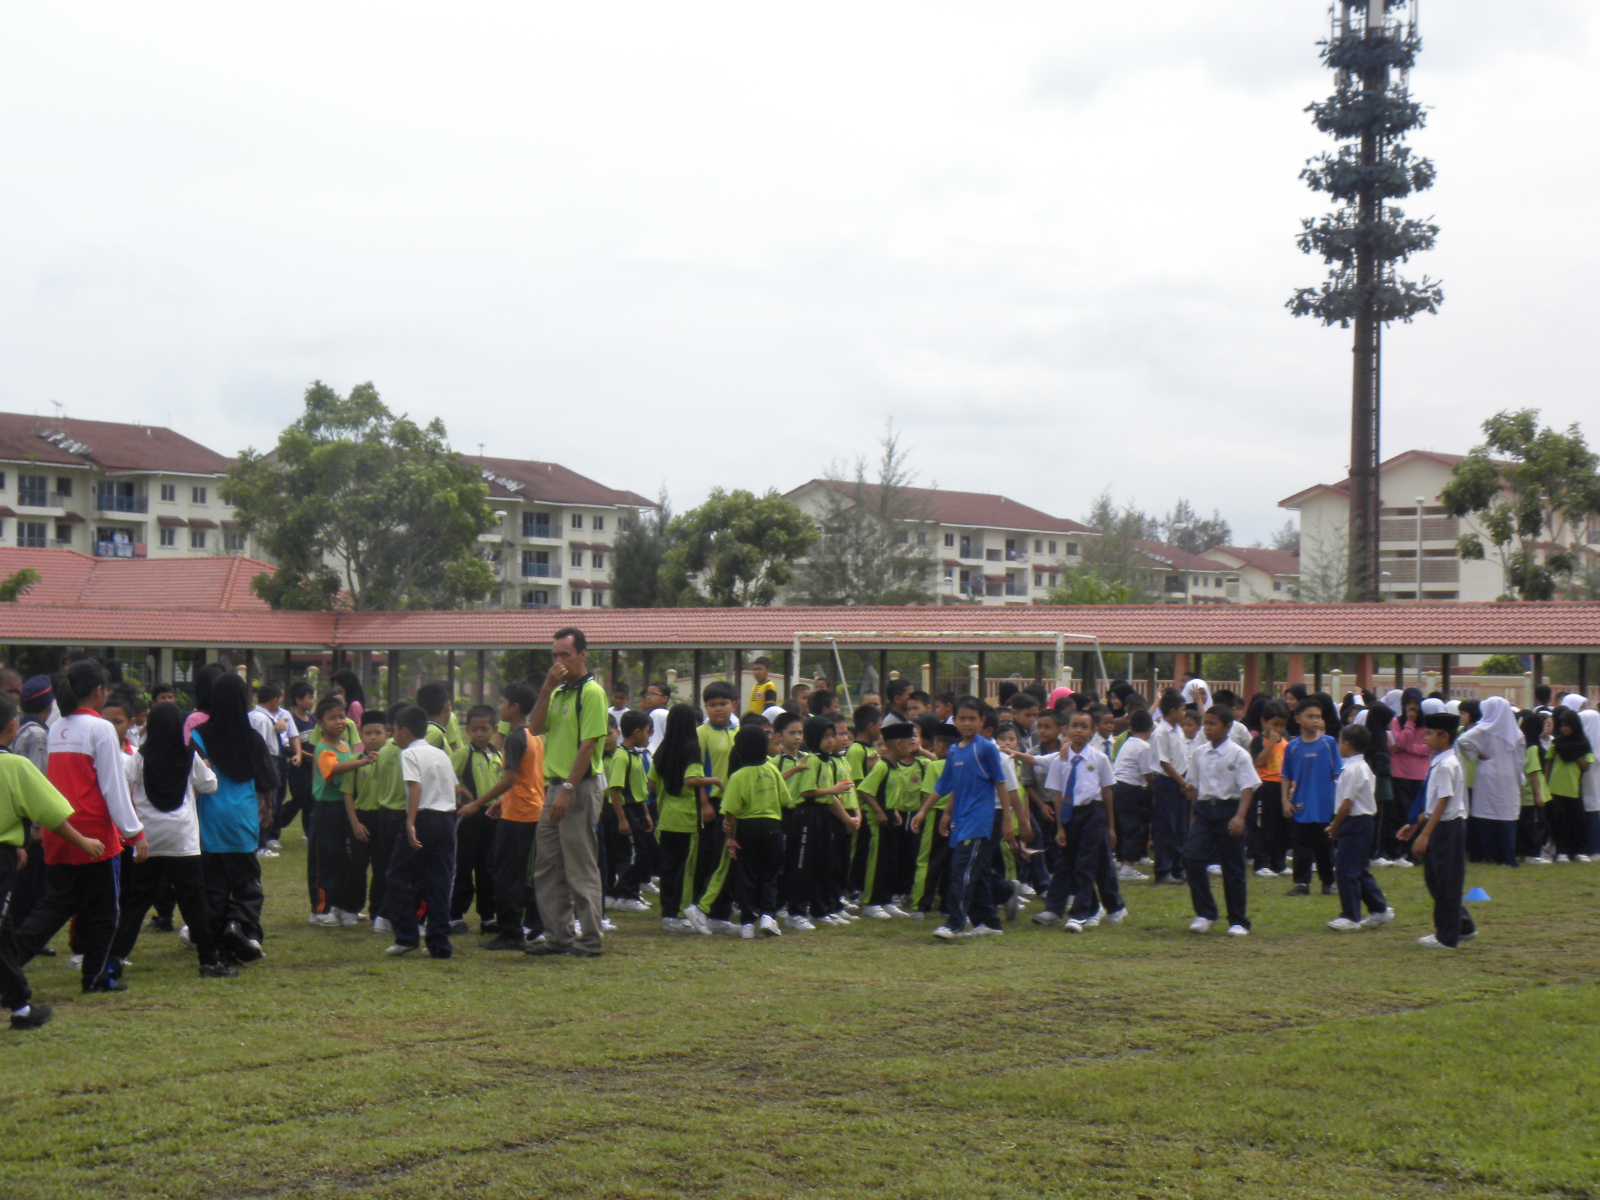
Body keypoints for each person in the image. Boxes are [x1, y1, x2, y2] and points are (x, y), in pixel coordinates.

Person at [13, 661, 146, 993]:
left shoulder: (57, 727)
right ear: (99, 692)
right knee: (104, 909)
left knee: (55, 906)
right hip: (95, 835)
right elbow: (112, 787)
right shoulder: (100, 729)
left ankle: (9, 962)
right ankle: (96, 976)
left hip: (61, 831)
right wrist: (135, 832)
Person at [2, 691, 110, 1029]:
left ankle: (19, 1002)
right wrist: (83, 841)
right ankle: (19, 1006)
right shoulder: (15, 766)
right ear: (12, 725)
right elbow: (51, 813)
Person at [109, 700, 236, 977]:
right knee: (194, 903)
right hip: (183, 840)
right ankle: (208, 960)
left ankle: (115, 959)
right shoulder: (188, 756)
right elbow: (210, 785)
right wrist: (206, 767)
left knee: (136, 903)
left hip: (148, 840)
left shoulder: (139, 757)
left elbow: (124, 784)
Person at [526, 627, 608, 960]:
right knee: (547, 866)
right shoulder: (558, 692)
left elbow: (588, 746)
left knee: (580, 865)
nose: (559, 662)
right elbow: (533, 727)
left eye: (566, 655)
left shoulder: (592, 693)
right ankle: (557, 936)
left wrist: (567, 791)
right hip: (553, 786)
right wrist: (546, 687)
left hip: (578, 787)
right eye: (555, 656)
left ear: (583, 654)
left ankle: (589, 938)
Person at [190, 672, 275, 965]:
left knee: (213, 884)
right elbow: (268, 778)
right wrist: (268, 807)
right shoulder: (251, 736)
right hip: (243, 817)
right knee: (246, 880)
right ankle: (238, 924)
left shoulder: (199, 735)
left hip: (211, 817)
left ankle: (216, 939)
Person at [912, 695, 1010, 941]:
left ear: (981, 721)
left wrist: (1007, 819)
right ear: (954, 720)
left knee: (961, 872)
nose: (966, 724)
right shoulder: (955, 750)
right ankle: (989, 922)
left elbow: (1001, 783)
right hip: (960, 821)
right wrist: (926, 811)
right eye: (962, 719)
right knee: (977, 874)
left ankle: (955, 923)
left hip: (979, 823)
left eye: (972, 719)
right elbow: (945, 785)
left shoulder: (986, 748)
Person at [382, 705, 459, 959]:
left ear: (404, 731)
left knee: (396, 876)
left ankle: (406, 936)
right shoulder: (441, 754)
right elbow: (456, 788)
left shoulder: (409, 754)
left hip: (424, 817)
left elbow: (415, 787)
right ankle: (439, 944)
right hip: (447, 820)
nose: (393, 737)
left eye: (394, 731)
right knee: (439, 882)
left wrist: (411, 823)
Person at [1399, 712, 1477, 949]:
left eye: (1431, 733)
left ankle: (1446, 936)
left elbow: (1444, 801)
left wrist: (1426, 833)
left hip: (1447, 828)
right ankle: (1463, 925)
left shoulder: (1446, 764)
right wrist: (1416, 825)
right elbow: (1435, 804)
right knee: (1437, 878)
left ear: (1445, 736)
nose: (1426, 737)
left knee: (1445, 882)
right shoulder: (1443, 761)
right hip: (1440, 824)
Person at [475, 683, 544, 951]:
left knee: (505, 873)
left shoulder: (516, 737)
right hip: (526, 808)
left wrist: (478, 803)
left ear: (515, 707)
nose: (500, 707)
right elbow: (528, 779)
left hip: (520, 815)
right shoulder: (533, 735)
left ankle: (512, 931)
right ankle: (536, 922)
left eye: (503, 703)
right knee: (515, 871)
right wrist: (503, 802)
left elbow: (511, 778)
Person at [1182, 704, 1260, 936]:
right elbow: (1194, 786)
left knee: (1232, 866)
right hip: (1205, 812)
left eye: (1212, 724)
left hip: (1229, 810)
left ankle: (1238, 920)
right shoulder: (1199, 753)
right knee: (1191, 858)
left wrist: (1239, 816)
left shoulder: (1238, 755)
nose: (1207, 728)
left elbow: (1247, 787)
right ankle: (1205, 912)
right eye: (1205, 723)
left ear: (1227, 727)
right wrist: (1193, 817)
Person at [1045, 710, 1125, 934]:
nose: (1078, 730)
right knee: (1072, 863)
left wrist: (1110, 826)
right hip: (1070, 815)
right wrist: (1060, 826)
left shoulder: (1099, 759)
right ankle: (1100, 907)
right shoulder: (1060, 760)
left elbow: (1107, 791)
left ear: (1093, 731)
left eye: (1083, 726)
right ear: (1066, 730)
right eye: (1074, 725)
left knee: (1086, 865)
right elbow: (1058, 795)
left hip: (1093, 813)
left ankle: (1078, 915)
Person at [648, 704, 715, 932]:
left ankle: (667, 913)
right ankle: (680, 911)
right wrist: (714, 780)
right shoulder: (691, 748)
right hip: (686, 819)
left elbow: (651, 783)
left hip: (666, 816)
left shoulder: (663, 749)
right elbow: (691, 779)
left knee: (667, 867)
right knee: (685, 869)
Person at [309, 695, 374, 927]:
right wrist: (361, 762)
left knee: (343, 859)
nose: (339, 722)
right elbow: (333, 769)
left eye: (342, 717)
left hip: (346, 807)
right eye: (332, 718)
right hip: (326, 810)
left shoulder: (346, 746)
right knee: (324, 859)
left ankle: (339, 905)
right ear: (319, 723)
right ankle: (319, 909)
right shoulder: (323, 748)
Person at [1324, 724, 1394, 931]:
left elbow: (1347, 803)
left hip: (1356, 822)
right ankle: (1378, 909)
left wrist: (1335, 826)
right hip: (1360, 823)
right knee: (1359, 869)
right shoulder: (1358, 767)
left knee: (1346, 870)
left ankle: (1351, 915)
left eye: (1340, 740)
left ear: (1347, 744)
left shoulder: (1354, 769)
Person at [720, 726, 787, 938]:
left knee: (746, 873)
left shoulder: (738, 776)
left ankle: (747, 922)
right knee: (770, 873)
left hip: (746, 828)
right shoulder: (772, 770)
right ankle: (768, 914)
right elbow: (785, 799)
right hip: (772, 826)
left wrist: (730, 838)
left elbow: (731, 811)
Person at [684, 682, 740, 934]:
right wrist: (705, 802)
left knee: (729, 857)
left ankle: (721, 913)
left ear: (734, 705)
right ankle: (699, 909)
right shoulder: (702, 733)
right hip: (712, 804)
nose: (718, 709)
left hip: (735, 804)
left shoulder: (739, 731)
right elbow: (696, 771)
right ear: (705, 707)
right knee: (709, 857)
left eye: (723, 703)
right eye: (712, 704)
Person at [856, 721, 921, 919]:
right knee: (877, 860)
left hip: (892, 817)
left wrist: (895, 811)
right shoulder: (882, 766)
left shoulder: (894, 767)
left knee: (890, 861)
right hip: (879, 821)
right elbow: (865, 790)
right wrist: (880, 811)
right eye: (910, 743)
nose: (913, 748)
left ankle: (886, 899)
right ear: (899, 743)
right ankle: (871, 902)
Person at [348, 709, 405, 934]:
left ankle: (378, 912)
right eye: (368, 733)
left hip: (384, 817)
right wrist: (354, 823)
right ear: (361, 736)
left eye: (378, 733)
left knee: (382, 867)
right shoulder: (355, 761)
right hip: (361, 817)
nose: (373, 737)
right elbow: (347, 794)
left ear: (387, 733)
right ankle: (351, 908)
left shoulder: (392, 757)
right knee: (357, 866)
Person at [449, 705, 502, 935]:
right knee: (464, 866)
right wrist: (461, 791)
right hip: (471, 817)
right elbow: (448, 773)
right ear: (467, 731)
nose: (479, 734)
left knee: (487, 867)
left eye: (484, 729)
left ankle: (488, 917)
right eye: (474, 729)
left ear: (494, 729)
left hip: (494, 816)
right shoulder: (464, 753)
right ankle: (454, 916)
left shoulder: (499, 756)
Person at [1282, 697, 1340, 896]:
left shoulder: (1329, 743)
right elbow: (1286, 776)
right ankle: (1302, 883)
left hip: (1324, 803)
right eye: (1310, 716)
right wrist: (1285, 800)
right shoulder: (1293, 747)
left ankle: (1328, 882)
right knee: (1301, 845)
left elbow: (1338, 774)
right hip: (1301, 804)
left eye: (1318, 717)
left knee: (1324, 845)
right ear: (1298, 719)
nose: (1315, 721)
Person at [1457, 695, 1522, 867]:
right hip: (1508, 776)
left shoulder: (1483, 730)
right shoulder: (1516, 733)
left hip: (1487, 774)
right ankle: (1506, 856)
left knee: (1485, 814)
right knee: (1506, 814)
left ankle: (1486, 854)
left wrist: (1477, 754)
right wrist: (1518, 776)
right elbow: (1520, 760)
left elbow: (1463, 741)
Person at [605, 711, 654, 913]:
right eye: (646, 732)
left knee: (643, 852)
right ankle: (625, 894)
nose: (648, 736)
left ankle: (628, 892)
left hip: (636, 809)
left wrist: (646, 814)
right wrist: (622, 819)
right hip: (624, 810)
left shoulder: (635, 756)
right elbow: (615, 790)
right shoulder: (621, 757)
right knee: (632, 854)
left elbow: (639, 788)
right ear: (636, 733)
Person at [1110, 708, 1156, 881]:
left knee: (1122, 826)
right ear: (1150, 728)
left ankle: (1121, 860)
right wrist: (1155, 788)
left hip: (1117, 787)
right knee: (1133, 827)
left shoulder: (1128, 742)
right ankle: (1127, 867)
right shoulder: (1143, 747)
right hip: (1130, 789)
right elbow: (1148, 775)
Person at [1150, 690, 1190, 886]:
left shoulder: (1178, 730)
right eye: (1182, 709)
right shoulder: (1161, 732)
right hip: (1167, 782)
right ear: (1172, 710)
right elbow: (1164, 762)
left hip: (1180, 780)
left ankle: (1178, 868)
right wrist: (1181, 782)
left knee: (1180, 827)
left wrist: (1185, 780)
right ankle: (1163, 870)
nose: (1185, 713)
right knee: (1166, 827)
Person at [1248, 700, 1291, 878]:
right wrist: (1271, 743)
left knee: (1281, 827)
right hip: (1263, 787)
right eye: (1274, 725)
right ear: (1264, 722)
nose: (1278, 730)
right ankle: (1261, 863)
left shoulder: (1286, 742)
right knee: (1262, 826)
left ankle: (1278, 862)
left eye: (1282, 726)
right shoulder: (1259, 741)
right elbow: (1259, 761)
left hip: (1281, 787)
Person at [1385, 688, 1428, 866]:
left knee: (1418, 815)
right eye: (1409, 703)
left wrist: (1406, 748)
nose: (1412, 707)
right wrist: (1409, 724)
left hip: (1419, 776)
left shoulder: (1426, 724)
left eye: (1415, 703)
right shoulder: (1397, 722)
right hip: (1401, 774)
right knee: (1403, 813)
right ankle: (1403, 851)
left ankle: (1417, 851)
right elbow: (1400, 741)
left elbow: (1426, 748)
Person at [1544, 708, 1591, 862]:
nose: (1565, 728)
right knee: (1560, 822)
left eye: (1568, 725)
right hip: (1556, 788)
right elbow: (1549, 761)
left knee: (1577, 821)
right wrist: (1545, 782)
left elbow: (1586, 766)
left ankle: (1578, 851)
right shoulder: (1556, 743)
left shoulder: (1583, 744)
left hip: (1573, 788)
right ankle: (1562, 850)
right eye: (1562, 725)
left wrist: (1575, 756)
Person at [1516, 711, 1550, 864]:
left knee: (1523, 825)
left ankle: (1521, 852)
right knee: (1535, 825)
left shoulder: (1522, 746)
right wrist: (1539, 795)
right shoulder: (1533, 749)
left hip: (1523, 794)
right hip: (1532, 794)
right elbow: (1534, 772)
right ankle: (1533, 854)